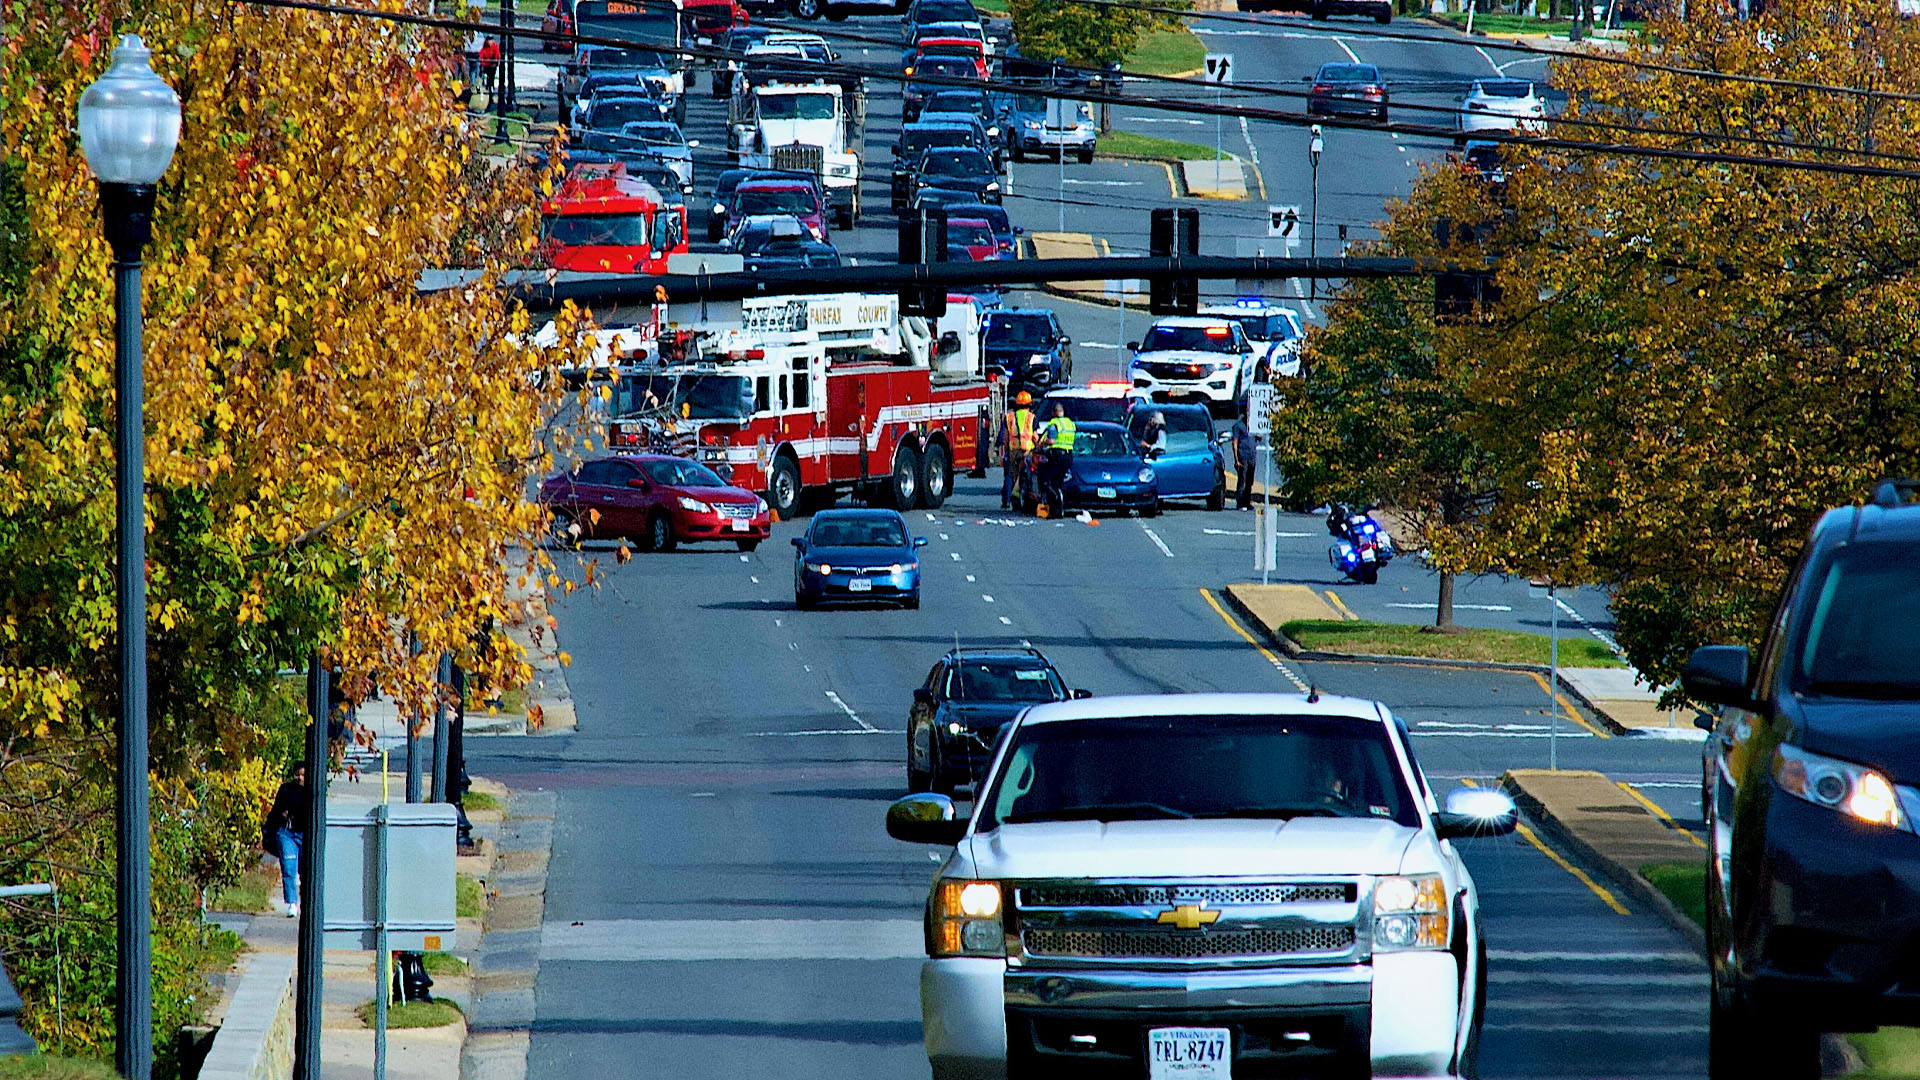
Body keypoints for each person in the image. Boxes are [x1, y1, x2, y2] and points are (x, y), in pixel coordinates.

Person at [264, 764, 309, 918]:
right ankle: (291, 903)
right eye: (297, 775)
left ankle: (306, 902)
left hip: (306, 834)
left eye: (303, 775)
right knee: (288, 868)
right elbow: (276, 810)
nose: (299, 778)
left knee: (306, 870)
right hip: (287, 833)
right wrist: (282, 815)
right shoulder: (285, 790)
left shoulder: (312, 791)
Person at [998, 391, 1036, 510]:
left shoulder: (1009, 417)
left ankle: (1007, 500)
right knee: (1025, 475)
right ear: (1029, 404)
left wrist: (1004, 453)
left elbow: (1004, 437)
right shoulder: (1032, 417)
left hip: (1013, 450)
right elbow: (1035, 436)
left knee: (1011, 475)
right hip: (1027, 451)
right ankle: (1020, 496)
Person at [1037, 403, 1076, 514]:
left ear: (1053, 413)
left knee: (1046, 480)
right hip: (1069, 455)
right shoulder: (1070, 424)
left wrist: (1042, 445)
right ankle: (1058, 503)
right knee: (1059, 480)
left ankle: (1056, 501)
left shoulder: (1054, 424)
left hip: (1056, 455)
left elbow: (1051, 441)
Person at [1231, 414, 1257, 510]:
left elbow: (1257, 438)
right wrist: (1236, 459)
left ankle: (1247, 501)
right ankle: (1240, 502)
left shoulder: (1252, 426)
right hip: (1243, 455)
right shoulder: (1238, 426)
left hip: (1252, 455)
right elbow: (1235, 442)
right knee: (1242, 479)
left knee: (1250, 481)